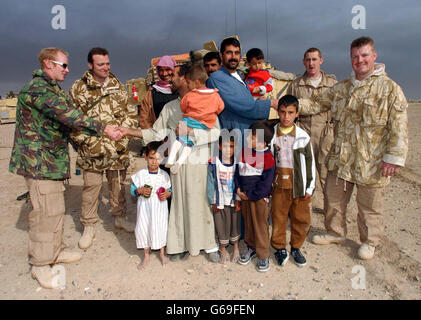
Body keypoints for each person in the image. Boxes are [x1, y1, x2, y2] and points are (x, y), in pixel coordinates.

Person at [9, 47, 121, 288]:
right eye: (63, 66)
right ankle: (40, 264)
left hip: (51, 163)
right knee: (44, 215)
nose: (68, 70)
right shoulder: (39, 89)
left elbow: (66, 126)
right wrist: (104, 129)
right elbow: (69, 115)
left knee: (55, 210)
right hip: (39, 164)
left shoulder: (52, 88)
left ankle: (55, 251)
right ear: (48, 64)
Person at [299, 37, 408, 260]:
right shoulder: (342, 89)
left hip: (373, 161)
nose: (360, 60)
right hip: (342, 158)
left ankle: (369, 242)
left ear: (374, 56)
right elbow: (315, 104)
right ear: (351, 59)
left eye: (365, 55)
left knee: (369, 205)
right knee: (334, 198)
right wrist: (285, 105)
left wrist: (393, 157)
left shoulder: (389, 89)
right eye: (355, 57)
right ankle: (335, 232)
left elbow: (399, 126)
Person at [119, 64, 222, 263]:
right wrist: (128, 131)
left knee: (200, 202)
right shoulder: (170, 108)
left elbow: (216, 131)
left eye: (174, 75)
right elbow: (156, 132)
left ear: (185, 79)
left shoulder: (206, 102)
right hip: (177, 164)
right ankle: (180, 244)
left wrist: (192, 133)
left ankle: (209, 244)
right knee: (180, 203)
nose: (169, 79)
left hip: (199, 162)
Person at [69, 47, 138, 250]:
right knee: (92, 188)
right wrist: (87, 141)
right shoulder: (78, 88)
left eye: (107, 63)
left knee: (117, 184)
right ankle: (89, 226)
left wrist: (123, 132)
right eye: (101, 64)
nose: (106, 67)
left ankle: (119, 217)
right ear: (90, 65)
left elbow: (129, 112)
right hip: (93, 150)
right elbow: (72, 120)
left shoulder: (117, 85)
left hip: (117, 148)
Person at [287, 48, 337, 212]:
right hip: (303, 130)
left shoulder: (332, 84)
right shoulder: (296, 84)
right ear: (303, 61)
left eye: (314, 59)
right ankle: (303, 211)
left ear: (321, 60)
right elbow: (290, 109)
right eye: (308, 60)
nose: (311, 63)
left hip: (325, 132)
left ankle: (331, 211)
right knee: (304, 171)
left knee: (327, 173)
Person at [269, 95, 315, 268]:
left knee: (301, 218)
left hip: (299, 185)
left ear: (297, 113)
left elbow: (310, 164)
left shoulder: (303, 137)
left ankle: (296, 247)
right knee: (278, 217)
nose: (286, 117)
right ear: (277, 112)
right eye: (282, 112)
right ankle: (279, 247)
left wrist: (309, 186)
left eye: (290, 113)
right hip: (279, 184)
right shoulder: (272, 134)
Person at [207, 37, 278, 137]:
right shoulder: (217, 78)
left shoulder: (240, 76)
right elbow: (242, 105)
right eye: (229, 53)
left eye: (236, 53)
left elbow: (247, 101)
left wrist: (258, 102)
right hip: (233, 137)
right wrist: (271, 103)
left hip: (248, 134)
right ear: (221, 55)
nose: (233, 56)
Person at [166, 64, 224, 174]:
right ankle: (177, 162)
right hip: (203, 125)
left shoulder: (190, 96)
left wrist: (193, 132)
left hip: (198, 164)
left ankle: (171, 159)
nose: (187, 85)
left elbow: (216, 133)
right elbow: (221, 107)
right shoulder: (214, 96)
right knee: (187, 144)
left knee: (180, 141)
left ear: (196, 81)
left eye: (188, 82)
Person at [236, 121, 275, 272]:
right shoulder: (244, 153)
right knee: (249, 224)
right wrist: (238, 190)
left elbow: (265, 185)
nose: (247, 140)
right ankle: (251, 247)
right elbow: (238, 173)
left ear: (262, 142)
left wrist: (251, 195)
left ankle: (263, 254)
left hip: (258, 199)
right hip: (245, 196)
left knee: (260, 226)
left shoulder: (268, 158)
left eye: (251, 138)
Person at [130, 141, 172, 270]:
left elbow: (170, 190)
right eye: (151, 158)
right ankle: (146, 255)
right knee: (144, 229)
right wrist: (139, 191)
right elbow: (132, 190)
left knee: (161, 229)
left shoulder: (164, 175)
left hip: (160, 210)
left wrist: (167, 194)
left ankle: (162, 253)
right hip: (145, 210)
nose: (154, 162)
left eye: (158, 159)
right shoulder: (140, 175)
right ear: (145, 157)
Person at [207, 136, 241, 264]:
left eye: (231, 146)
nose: (228, 150)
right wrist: (212, 200)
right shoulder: (213, 163)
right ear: (220, 147)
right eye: (225, 146)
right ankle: (223, 249)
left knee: (235, 224)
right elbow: (210, 183)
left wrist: (238, 199)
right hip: (219, 200)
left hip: (233, 200)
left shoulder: (237, 163)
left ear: (235, 147)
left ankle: (236, 248)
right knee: (221, 225)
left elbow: (240, 182)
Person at [139, 55, 179, 129]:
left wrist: (182, 138)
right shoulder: (151, 93)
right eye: (161, 70)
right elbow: (144, 119)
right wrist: (154, 137)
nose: (164, 74)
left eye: (168, 69)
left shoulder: (181, 90)